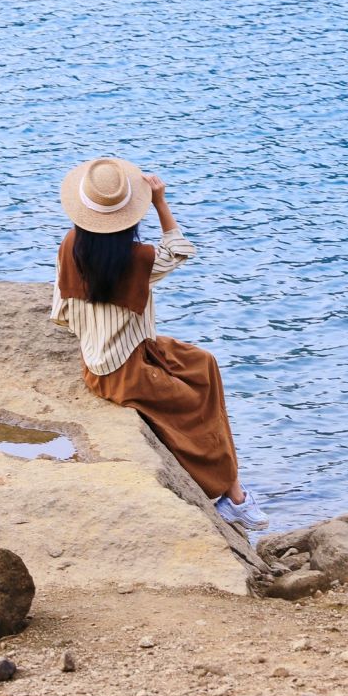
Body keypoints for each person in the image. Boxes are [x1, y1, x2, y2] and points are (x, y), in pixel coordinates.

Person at [51, 155, 268, 529]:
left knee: (204, 363)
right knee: (196, 404)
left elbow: (62, 312)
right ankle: (232, 493)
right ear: (128, 216)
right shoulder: (138, 259)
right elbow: (180, 249)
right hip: (126, 370)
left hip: (105, 362)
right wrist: (160, 202)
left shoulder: (71, 245)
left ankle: (232, 488)